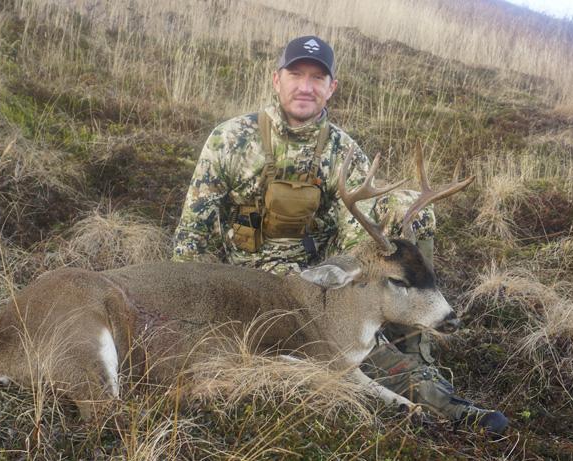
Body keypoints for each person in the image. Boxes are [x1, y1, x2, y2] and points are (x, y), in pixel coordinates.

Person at [172, 35, 508, 435]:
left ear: (332, 88)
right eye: (295, 74)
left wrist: (355, 291)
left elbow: (360, 244)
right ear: (275, 79)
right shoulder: (229, 139)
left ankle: (413, 356)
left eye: (317, 78)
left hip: (322, 288)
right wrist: (187, 301)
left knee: (406, 209)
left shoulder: (343, 153)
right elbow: (194, 234)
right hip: (245, 286)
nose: (305, 86)